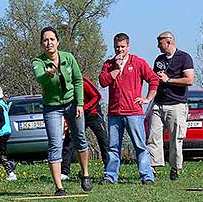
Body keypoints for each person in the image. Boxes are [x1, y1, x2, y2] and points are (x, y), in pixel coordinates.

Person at [32, 26, 92, 196]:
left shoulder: (68, 58)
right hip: (52, 107)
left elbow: (78, 80)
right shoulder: (38, 62)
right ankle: (59, 187)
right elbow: (40, 78)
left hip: (72, 103)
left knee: (80, 138)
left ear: (57, 42)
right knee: (55, 144)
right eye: (45, 40)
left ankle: (85, 174)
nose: (49, 42)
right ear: (41, 44)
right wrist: (48, 75)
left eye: (52, 39)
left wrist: (80, 104)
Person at [99, 32, 159, 184]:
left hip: (133, 113)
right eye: (117, 47)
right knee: (113, 147)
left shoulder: (138, 63)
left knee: (140, 146)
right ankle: (111, 176)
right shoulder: (109, 64)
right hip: (114, 113)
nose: (119, 50)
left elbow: (153, 79)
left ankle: (147, 176)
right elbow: (103, 82)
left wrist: (147, 98)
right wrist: (115, 70)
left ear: (128, 46)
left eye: (122, 47)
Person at [147, 31, 194, 180]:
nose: (157, 46)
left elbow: (189, 80)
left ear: (168, 42)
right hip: (158, 104)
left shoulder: (184, 58)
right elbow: (155, 80)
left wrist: (168, 80)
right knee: (153, 137)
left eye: (159, 43)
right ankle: (152, 169)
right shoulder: (159, 60)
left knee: (175, 139)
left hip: (177, 105)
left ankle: (175, 168)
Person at [61, 76, 108, 180]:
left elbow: (97, 96)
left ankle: (108, 169)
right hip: (77, 115)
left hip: (93, 114)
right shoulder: (63, 85)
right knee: (69, 141)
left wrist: (84, 108)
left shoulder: (83, 81)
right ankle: (64, 172)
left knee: (103, 139)